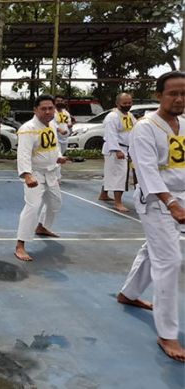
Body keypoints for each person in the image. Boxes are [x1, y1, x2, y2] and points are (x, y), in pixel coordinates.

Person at [117, 71, 185, 362]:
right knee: (169, 260)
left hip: (181, 197)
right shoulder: (145, 128)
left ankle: (129, 293)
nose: (179, 99)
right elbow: (146, 170)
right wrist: (170, 202)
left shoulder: (184, 124)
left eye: (184, 93)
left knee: (155, 251)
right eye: (173, 93)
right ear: (159, 95)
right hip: (157, 201)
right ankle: (167, 333)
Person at [13, 95, 69, 261]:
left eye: (50, 108)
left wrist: (59, 157)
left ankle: (42, 226)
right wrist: (27, 175)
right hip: (35, 173)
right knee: (33, 206)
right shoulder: (27, 128)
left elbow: (54, 146)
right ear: (35, 110)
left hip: (51, 172)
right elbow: (23, 154)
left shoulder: (52, 124)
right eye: (43, 108)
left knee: (55, 203)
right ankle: (20, 245)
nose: (47, 111)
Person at [98, 93, 136, 212]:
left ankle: (103, 194)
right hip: (116, 150)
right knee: (120, 175)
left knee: (112, 173)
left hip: (126, 148)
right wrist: (117, 150)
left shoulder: (129, 115)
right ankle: (118, 203)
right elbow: (111, 134)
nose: (127, 105)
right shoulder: (112, 117)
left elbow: (136, 128)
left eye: (129, 103)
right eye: (124, 103)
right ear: (117, 103)